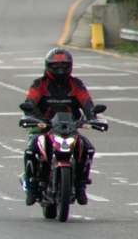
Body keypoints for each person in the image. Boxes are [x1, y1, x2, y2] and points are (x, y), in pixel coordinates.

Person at [20, 48, 98, 205]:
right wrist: (32, 116)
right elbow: (30, 102)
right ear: (48, 66)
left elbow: (87, 102)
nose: (60, 70)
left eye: (64, 65)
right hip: (43, 125)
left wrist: (92, 117)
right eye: (56, 66)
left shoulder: (76, 84)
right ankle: (32, 186)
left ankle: (81, 185)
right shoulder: (39, 84)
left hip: (70, 127)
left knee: (87, 148)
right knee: (31, 148)